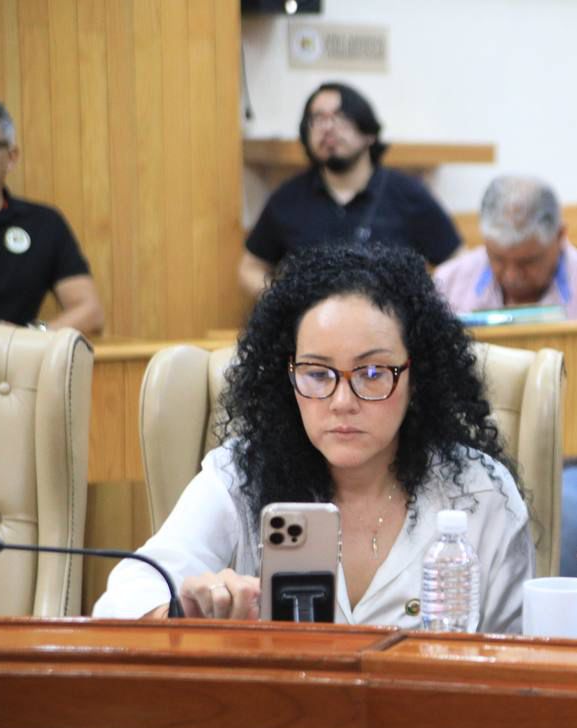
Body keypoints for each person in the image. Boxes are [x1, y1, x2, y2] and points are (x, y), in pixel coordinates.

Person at [95, 242, 533, 629]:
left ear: (416, 378)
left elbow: (518, 657)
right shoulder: (240, 475)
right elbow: (122, 599)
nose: (342, 401)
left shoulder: (479, 493)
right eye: (318, 373)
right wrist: (186, 613)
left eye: (373, 373)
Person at [434, 176, 577, 577]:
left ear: (560, 236)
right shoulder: (447, 287)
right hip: (465, 457)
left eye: (527, 262)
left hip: (573, 462)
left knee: (569, 523)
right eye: (497, 258)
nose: (511, 275)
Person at [239, 83, 461, 299]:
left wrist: (420, 306)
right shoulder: (287, 199)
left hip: (388, 321)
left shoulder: (409, 194)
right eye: (317, 119)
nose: (328, 127)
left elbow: (457, 261)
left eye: (340, 116)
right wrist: (283, 302)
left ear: (369, 133)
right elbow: (250, 267)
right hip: (309, 321)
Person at [0, 93, 104, 334]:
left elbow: (89, 311)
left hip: (14, 356)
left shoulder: (43, 224)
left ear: (11, 158)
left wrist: (31, 336)